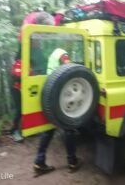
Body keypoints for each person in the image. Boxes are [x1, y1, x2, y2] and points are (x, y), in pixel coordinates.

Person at [33, 45, 81, 175]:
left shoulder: (53, 54)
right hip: (60, 94)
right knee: (68, 128)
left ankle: (39, 161)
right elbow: (70, 69)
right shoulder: (63, 53)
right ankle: (72, 161)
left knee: (48, 130)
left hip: (50, 91)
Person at [10, 11, 53, 142]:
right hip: (18, 87)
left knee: (32, 106)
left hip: (28, 86)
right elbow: (17, 76)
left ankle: (30, 128)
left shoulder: (38, 54)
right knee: (20, 109)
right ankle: (15, 131)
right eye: (37, 41)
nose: (39, 42)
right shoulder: (22, 56)